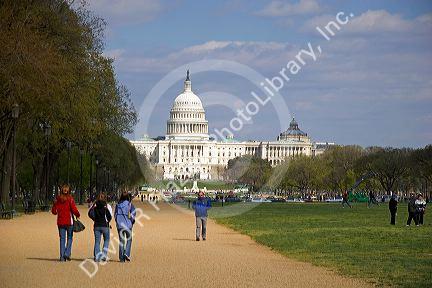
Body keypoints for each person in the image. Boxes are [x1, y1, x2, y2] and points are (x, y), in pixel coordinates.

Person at [51, 184, 80, 261]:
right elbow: (74, 209)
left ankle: (62, 257)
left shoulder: (58, 199)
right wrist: (78, 215)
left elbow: (54, 212)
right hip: (69, 221)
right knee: (70, 238)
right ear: (68, 191)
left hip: (60, 222)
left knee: (62, 239)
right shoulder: (70, 199)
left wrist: (54, 205)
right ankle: (67, 253)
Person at [88, 192, 112, 262]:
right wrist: (108, 221)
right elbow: (109, 217)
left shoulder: (95, 207)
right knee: (106, 240)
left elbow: (90, 214)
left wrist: (94, 219)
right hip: (105, 225)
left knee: (97, 242)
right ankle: (104, 255)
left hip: (97, 225)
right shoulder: (107, 207)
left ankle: (97, 256)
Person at [114, 191, 136, 262]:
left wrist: (117, 221)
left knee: (121, 241)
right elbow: (133, 213)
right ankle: (126, 253)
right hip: (128, 224)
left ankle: (121, 258)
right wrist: (131, 221)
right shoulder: (129, 204)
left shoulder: (118, 205)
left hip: (120, 224)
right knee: (129, 240)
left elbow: (115, 215)